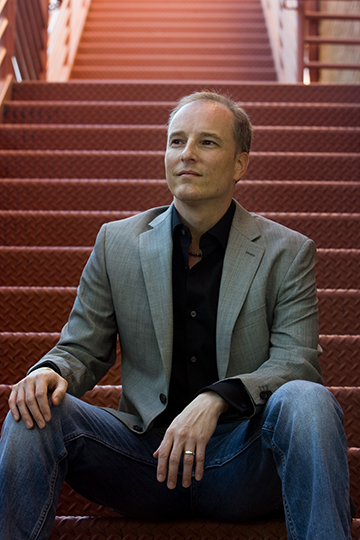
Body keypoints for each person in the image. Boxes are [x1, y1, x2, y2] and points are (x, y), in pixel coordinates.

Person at [0, 91, 352, 540]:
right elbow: (82, 348)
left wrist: (215, 399)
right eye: (175, 141)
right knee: (33, 409)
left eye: (206, 142)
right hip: (143, 463)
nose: (186, 153)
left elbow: (296, 363)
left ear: (240, 164)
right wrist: (50, 369)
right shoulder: (117, 243)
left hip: (239, 462)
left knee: (309, 400)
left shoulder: (287, 252)